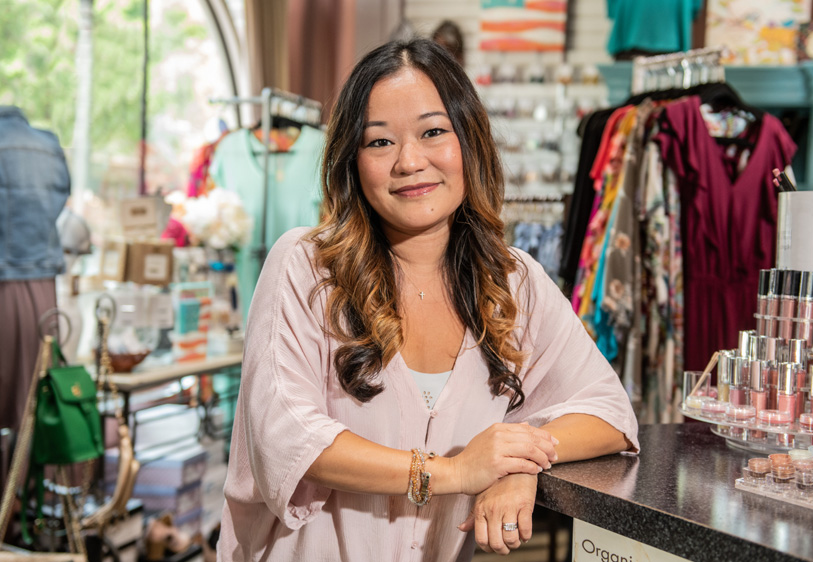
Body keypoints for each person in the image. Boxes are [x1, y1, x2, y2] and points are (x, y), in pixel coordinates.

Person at [219, 39, 639, 561]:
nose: (409, 161)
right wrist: (456, 472)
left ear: (469, 142)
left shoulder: (513, 282)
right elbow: (287, 438)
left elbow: (609, 413)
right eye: (379, 143)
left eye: (433, 132)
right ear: (352, 162)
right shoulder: (306, 267)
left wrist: (519, 463)